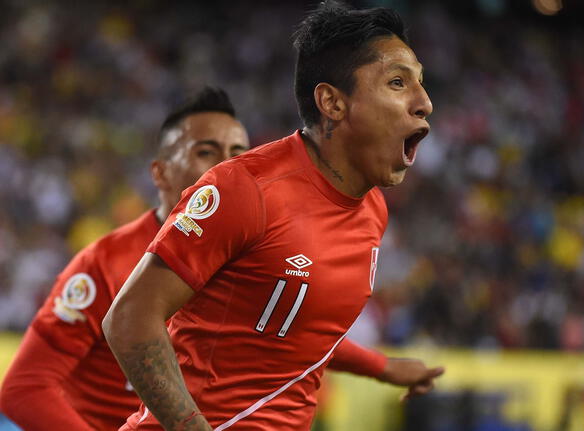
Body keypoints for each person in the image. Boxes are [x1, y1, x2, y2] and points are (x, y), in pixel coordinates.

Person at [103, 2, 443, 430]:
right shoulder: (246, 190)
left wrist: (381, 367)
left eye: (421, 84)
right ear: (332, 103)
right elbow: (130, 318)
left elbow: (296, 330)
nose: (425, 103)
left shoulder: (372, 210)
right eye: (398, 82)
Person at [0, 87, 251, 430]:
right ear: (160, 173)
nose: (228, 166)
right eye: (207, 152)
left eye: (239, 153)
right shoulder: (106, 263)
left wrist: (350, 361)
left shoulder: (249, 259)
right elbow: (23, 389)